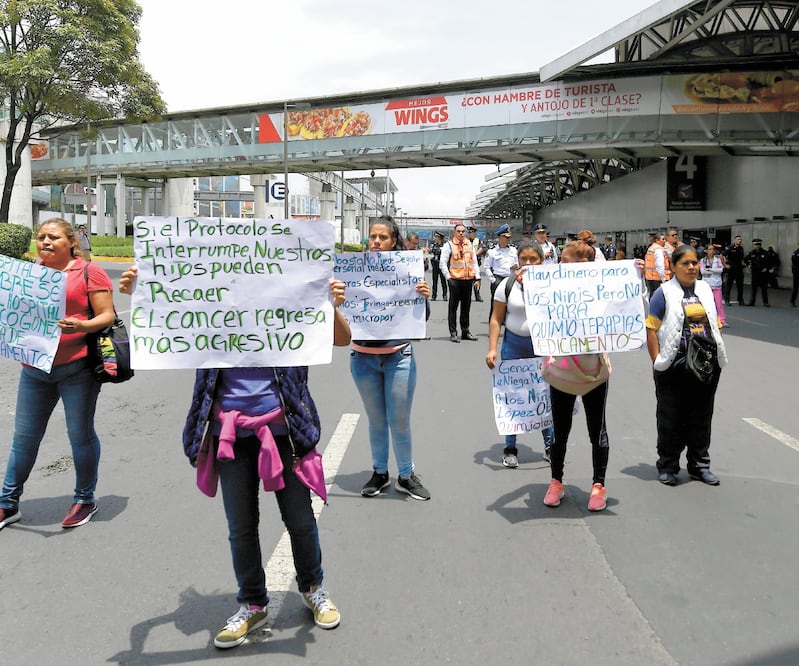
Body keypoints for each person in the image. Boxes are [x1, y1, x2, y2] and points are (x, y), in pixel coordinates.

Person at [119, 265, 351, 646]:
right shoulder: (210, 315)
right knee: (241, 527)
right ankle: (253, 604)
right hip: (231, 437)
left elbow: (342, 339)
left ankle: (313, 588)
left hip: (285, 434)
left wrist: (330, 303)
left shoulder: (289, 310)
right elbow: (164, 327)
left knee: (300, 519)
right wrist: (142, 293)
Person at [0, 218, 115, 531]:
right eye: (41, 237)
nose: (45, 242)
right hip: (35, 370)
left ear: (71, 243)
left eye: (53, 237)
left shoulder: (90, 271)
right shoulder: (27, 273)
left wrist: (82, 325)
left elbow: (108, 315)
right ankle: (7, 503)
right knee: (23, 440)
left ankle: (85, 499)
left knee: (80, 435)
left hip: (77, 369)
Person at [352, 217, 431, 501]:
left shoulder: (407, 272)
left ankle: (406, 475)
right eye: (372, 237)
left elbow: (419, 320)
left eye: (382, 237)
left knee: (398, 420)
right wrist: (336, 300)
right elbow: (341, 320)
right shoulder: (354, 271)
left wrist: (423, 297)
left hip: (398, 357)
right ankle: (380, 472)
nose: (375, 242)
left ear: (393, 241)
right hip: (363, 360)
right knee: (375, 420)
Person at [645, 244, 727, 486]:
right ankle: (668, 465)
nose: (692, 267)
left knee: (702, 415)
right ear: (672, 267)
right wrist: (658, 362)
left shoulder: (705, 289)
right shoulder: (663, 293)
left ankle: (699, 465)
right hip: (674, 365)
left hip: (706, 365)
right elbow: (651, 329)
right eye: (685, 263)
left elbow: (715, 324)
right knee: (671, 417)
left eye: (694, 263)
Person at [542, 239, 612, 512]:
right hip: (563, 369)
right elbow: (536, 308)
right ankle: (556, 480)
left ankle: (599, 485)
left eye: (565, 260)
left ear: (582, 264)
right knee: (560, 431)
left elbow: (627, 304)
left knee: (598, 429)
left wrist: (636, 275)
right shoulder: (552, 286)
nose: (560, 265)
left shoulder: (603, 287)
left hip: (594, 368)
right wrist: (527, 282)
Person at [485, 241, 554, 467]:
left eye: (533, 259)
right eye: (524, 259)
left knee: (543, 395)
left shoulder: (551, 286)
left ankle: (550, 444)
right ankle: (510, 447)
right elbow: (496, 319)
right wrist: (492, 348)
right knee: (513, 395)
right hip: (513, 346)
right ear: (517, 262)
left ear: (542, 262)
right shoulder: (507, 285)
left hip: (541, 347)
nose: (528, 263)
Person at [440, 223, 480, 343]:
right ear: (455, 232)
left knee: (466, 307)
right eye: (459, 231)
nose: (461, 233)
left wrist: (477, 278)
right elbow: (442, 263)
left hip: (468, 280)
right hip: (455, 280)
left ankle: (465, 331)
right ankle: (453, 332)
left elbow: (474, 262)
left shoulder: (469, 245)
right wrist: (448, 278)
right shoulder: (449, 245)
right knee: (453, 308)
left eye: (463, 231)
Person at [483, 223, 519, 321]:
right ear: (500, 237)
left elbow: (518, 263)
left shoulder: (513, 250)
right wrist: (493, 280)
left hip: (510, 279)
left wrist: (516, 266)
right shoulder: (492, 252)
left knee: (511, 303)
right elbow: (486, 267)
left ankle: (507, 322)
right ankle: (493, 321)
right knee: (496, 303)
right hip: (498, 278)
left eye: (509, 237)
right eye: (505, 237)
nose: (508, 239)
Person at [700, 244, 727, 327]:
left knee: (718, 304)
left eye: (713, 249)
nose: (712, 251)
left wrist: (710, 269)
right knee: (706, 303)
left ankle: (722, 320)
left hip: (716, 284)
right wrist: (714, 271)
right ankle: (706, 319)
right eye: (710, 249)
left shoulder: (717, 260)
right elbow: (702, 272)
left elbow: (720, 270)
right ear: (706, 251)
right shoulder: (703, 260)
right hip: (707, 285)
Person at [745, 239, 771, 306]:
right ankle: (752, 302)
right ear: (753, 245)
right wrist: (748, 265)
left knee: (764, 289)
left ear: (760, 245)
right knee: (754, 288)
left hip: (763, 273)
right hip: (755, 273)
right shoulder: (751, 253)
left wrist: (767, 268)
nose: (757, 246)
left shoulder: (765, 253)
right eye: (755, 245)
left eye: (758, 244)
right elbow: (745, 260)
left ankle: (765, 302)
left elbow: (771, 262)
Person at [644, 232, 670, 296]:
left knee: (652, 296)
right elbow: (659, 265)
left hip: (650, 277)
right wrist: (663, 279)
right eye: (663, 239)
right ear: (657, 240)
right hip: (658, 278)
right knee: (660, 297)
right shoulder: (658, 249)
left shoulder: (651, 248)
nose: (665, 241)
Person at [723, 235, 745, 305]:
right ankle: (727, 300)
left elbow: (741, 258)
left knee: (740, 285)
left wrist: (743, 264)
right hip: (731, 268)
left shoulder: (741, 248)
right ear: (735, 240)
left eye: (740, 239)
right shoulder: (730, 248)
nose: (740, 241)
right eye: (738, 239)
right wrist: (725, 265)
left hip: (739, 269)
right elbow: (722, 256)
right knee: (729, 284)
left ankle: (740, 300)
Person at [468, 226, 486, 302]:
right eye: (469, 233)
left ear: (474, 233)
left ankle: (477, 295)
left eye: (471, 232)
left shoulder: (478, 240)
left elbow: (481, 248)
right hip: (467, 264)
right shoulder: (466, 241)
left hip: (475, 264)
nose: (470, 234)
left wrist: (474, 255)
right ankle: (467, 296)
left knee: (476, 279)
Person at [429, 230, 447, 301]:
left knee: (443, 281)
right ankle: (434, 295)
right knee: (434, 281)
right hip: (435, 265)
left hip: (442, 264)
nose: (435, 238)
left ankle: (445, 295)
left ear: (440, 237)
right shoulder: (434, 245)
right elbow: (431, 251)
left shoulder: (445, 245)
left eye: (436, 236)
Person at [791, 241, 799, 307]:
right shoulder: (795, 253)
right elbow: (794, 263)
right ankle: (792, 300)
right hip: (797, 273)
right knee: (795, 288)